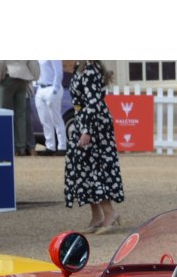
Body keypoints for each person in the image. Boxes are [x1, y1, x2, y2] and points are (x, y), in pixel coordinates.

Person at [63, 60, 124, 234]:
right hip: (83, 120)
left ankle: (110, 213)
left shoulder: (89, 69)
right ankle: (97, 215)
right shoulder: (80, 67)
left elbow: (93, 102)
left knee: (94, 169)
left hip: (93, 124)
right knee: (83, 169)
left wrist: (87, 130)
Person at [0, 60, 40, 157]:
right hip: (23, 78)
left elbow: (0, 61)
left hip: (8, 76)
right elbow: (32, 62)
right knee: (21, 115)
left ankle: (8, 147)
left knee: (4, 114)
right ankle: (21, 147)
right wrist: (35, 76)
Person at [34, 60, 68, 156]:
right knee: (45, 120)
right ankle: (50, 146)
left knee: (56, 119)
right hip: (41, 87)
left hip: (51, 87)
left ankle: (62, 146)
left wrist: (55, 89)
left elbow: (58, 72)